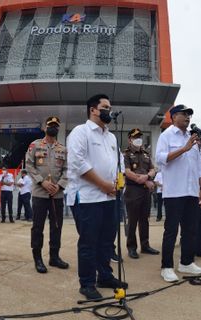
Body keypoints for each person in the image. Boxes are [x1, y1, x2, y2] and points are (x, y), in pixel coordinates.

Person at [66, 94, 127, 299]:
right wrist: (103, 185)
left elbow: (120, 164)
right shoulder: (80, 132)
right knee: (89, 242)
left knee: (106, 241)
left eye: (110, 107)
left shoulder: (110, 137)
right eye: (105, 107)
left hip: (110, 198)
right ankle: (87, 283)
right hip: (88, 197)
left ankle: (105, 276)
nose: (109, 110)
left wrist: (119, 185)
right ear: (93, 109)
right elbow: (78, 163)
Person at [155, 104, 201, 283]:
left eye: (189, 115)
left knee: (190, 230)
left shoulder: (192, 139)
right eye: (184, 114)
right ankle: (166, 267)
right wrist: (184, 148)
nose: (187, 118)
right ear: (174, 116)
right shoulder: (166, 136)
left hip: (191, 191)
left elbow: (198, 166)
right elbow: (160, 158)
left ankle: (186, 262)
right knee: (171, 231)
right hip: (174, 192)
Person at [25, 116, 69, 274]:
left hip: (56, 195)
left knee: (56, 227)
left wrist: (60, 185)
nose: (53, 128)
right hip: (39, 194)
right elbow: (29, 165)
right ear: (44, 127)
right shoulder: (35, 145)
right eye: (50, 125)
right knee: (38, 227)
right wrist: (42, 182)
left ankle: (54, 257)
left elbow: (67, 170)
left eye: (56, 126)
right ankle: (38, 258)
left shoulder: (63, 149)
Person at [123, 128, 159, 259]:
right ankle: (132, 247)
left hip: (145, 191)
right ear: (129, 140)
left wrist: (147, 176)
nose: (138, 139)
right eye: (135, 137)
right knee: (132, 220)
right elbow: (127, 172)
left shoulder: (146, 154)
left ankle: (145, 245)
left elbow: (153, 169)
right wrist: (143, 179)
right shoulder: (126, 154)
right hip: (133, 190)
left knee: (145, 219)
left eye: (140, 137)